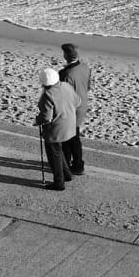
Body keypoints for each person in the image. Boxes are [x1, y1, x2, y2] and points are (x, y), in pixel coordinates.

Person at [34, 64, 77, 192]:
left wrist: (37, 121)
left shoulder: (47, 95)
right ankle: (67, 175)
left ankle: (59, 182)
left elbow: (46, 117)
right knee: (59, 151)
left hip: (55, 130)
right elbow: (77, 101)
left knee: (54, 156)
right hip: (69, 124)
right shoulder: (66, 86)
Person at [59, 41, 90, 177]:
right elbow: (88, 85)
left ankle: (67, 165)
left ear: (66, 55)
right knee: (75, 136)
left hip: (71, 108)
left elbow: (63, 95)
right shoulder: (85, 67)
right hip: (83, 104)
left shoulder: (65, 73)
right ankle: (78, 164)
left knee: (67, 138)